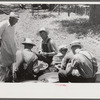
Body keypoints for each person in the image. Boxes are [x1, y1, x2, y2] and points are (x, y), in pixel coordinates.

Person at [0, 12, 19, 82]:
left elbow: (12, 37)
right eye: (16, 20)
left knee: (12, 64)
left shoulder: (13, 25)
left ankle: (9, 78)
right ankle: (2, 81)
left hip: (12, 47)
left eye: (17, 20)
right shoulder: (3, 24)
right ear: (11, 18)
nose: (16, 22)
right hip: (4, 49)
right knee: (3, 66)